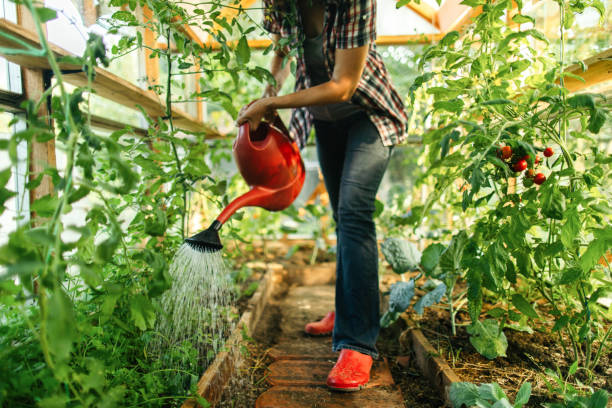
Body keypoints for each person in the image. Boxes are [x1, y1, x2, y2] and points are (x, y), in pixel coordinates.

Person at [236, 0, 409, 392]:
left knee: (354, 213)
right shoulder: (282, 4)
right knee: (340, 216)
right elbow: (281, 44)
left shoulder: (354, 2)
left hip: (368, 115)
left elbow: (344, 85)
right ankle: (349, 310)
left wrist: (274, 103)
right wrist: (268, 89)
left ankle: (357, 344)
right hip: (327, 121)